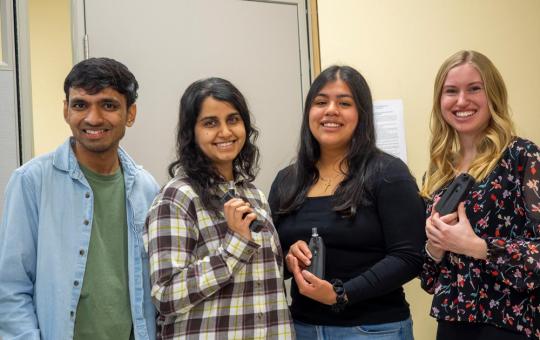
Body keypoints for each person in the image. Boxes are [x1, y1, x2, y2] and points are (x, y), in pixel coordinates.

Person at [0, 58, 159, 339]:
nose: (93, 118)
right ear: (66, 110)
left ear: (130, 114)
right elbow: (10, 287)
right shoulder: (31, 182)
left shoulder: (146, 187)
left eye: (108, 105)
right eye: (80, 105)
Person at [268, 65, 426, 339]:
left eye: (344, 103)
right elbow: (269, 264)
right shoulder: (287, 180)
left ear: (361, 114)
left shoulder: (388, 173)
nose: (331, 110)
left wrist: (342, 294)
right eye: (320, 102)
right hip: (301, 328)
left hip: (373, 330)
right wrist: (288, 257)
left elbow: (409, 256)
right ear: (309, 113)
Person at [144, 77, 294, 339]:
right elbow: (166, 295)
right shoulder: (177, 198)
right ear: (191, 132)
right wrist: (234, 247)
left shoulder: (254, 195)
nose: (225, 132)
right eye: (210, 123)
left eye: (233, 120)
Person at [420, 50, 540, 340]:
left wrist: (478, 247)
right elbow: (429, 280)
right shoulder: (438, 174)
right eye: (451, 91)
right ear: (440, 101)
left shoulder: (522, 157)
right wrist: (435, 249)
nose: (462, 101)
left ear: (493, 95)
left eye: (474, 89)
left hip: (509, 325)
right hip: (451, 325)